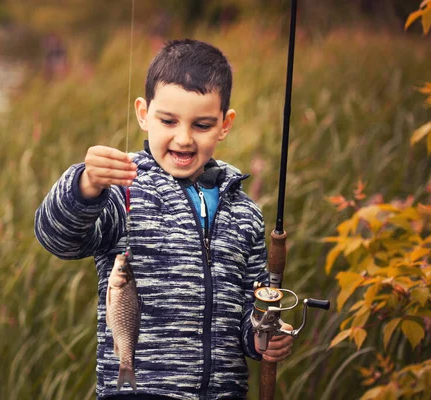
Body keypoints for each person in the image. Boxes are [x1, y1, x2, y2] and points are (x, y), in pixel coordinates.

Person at [35, 39, 293, 400]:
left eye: (202, 125)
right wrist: (85, 184)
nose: (184, 139)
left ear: (225, 123)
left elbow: (249, 307)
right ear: (143, 113)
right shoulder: (125, 192)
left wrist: (262, 335)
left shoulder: (245, 213)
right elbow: (58, 238)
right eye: (168, 121)